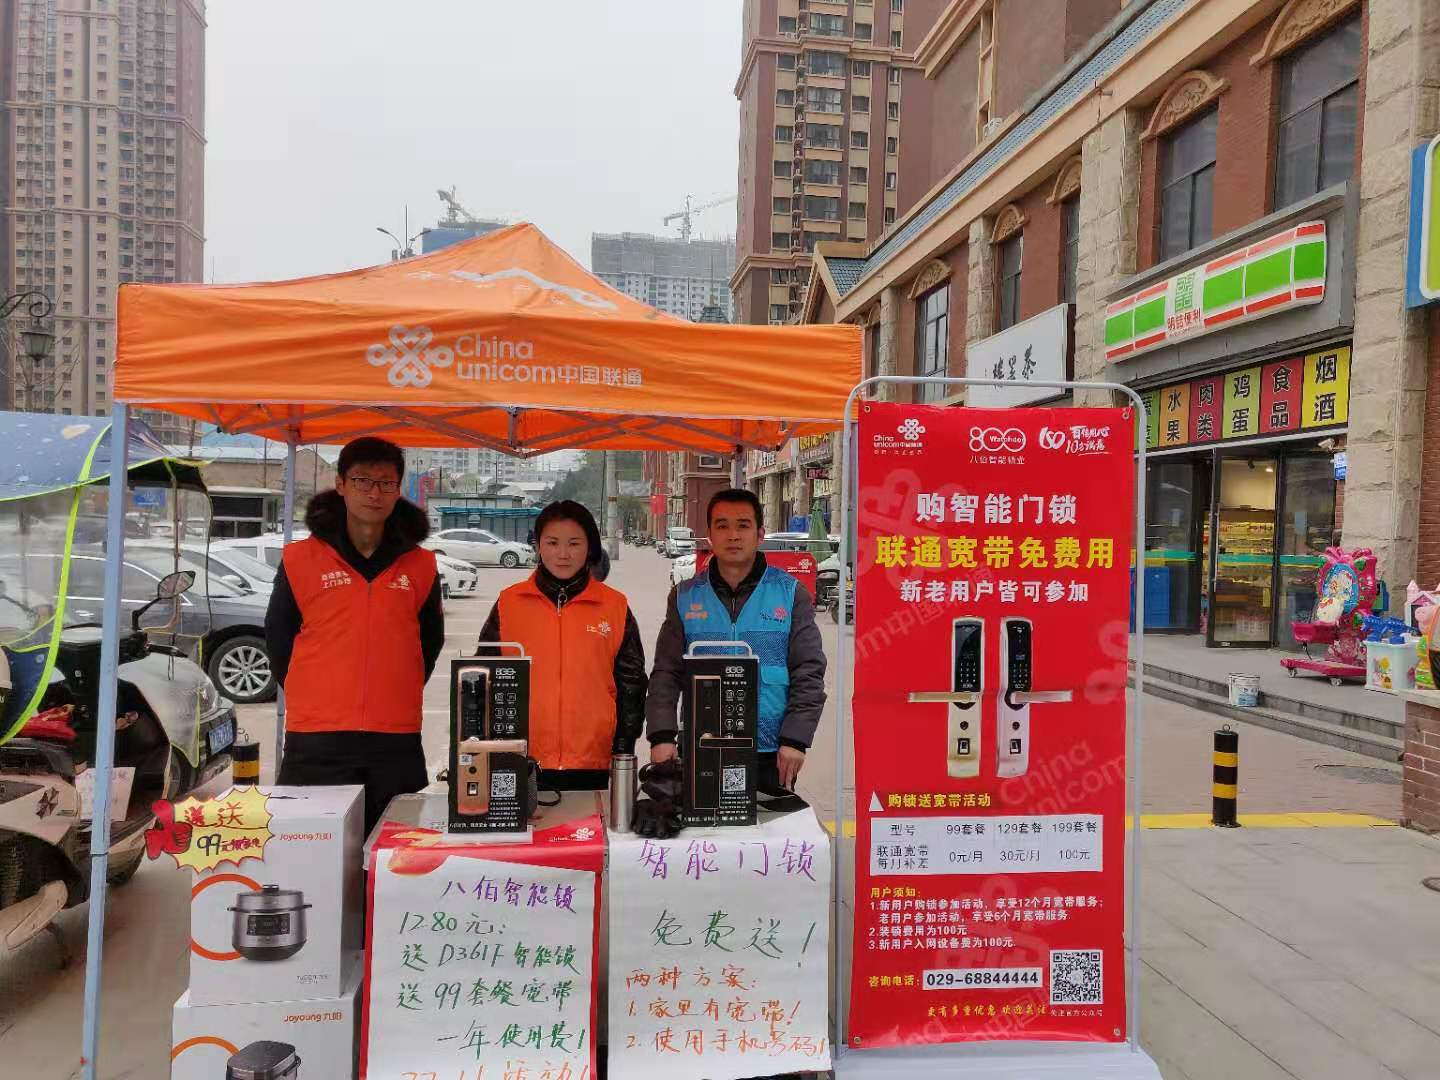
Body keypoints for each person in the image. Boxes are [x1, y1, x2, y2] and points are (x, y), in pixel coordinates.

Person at [264, 437, 444, 833]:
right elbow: (279, 639)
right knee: (310, 850)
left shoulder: (420, 565)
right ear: (341, 485)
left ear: (398, 489)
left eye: (385, 483)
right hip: (315, 740)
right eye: (362, 481)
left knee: (392, 854)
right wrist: (315, 691)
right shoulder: (300, 559)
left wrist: (393, 686)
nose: (374, 494)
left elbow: (429, 643)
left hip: (395, 740)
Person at [646, 489, 826, 796]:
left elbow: (808, 670)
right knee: (702, 825)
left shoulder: (789, 593)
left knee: (770, 826)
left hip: (771, 750)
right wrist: (661, 735)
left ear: (759, 534)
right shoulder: (685, 596)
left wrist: (795, 739)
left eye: (743, 525)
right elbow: (666, 672)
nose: (733, 535)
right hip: (701, 745)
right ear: (709, 535)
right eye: (722, 525)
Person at [477, 500, 647, 790]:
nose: (563, 554)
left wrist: (623, 748)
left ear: (590, 548)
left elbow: (632, 685)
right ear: (538, 546)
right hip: (519, 758)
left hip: (592, 760)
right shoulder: (509, 603)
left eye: (574, 543)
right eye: (552, 543)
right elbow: (481, 679)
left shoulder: (615, 606)